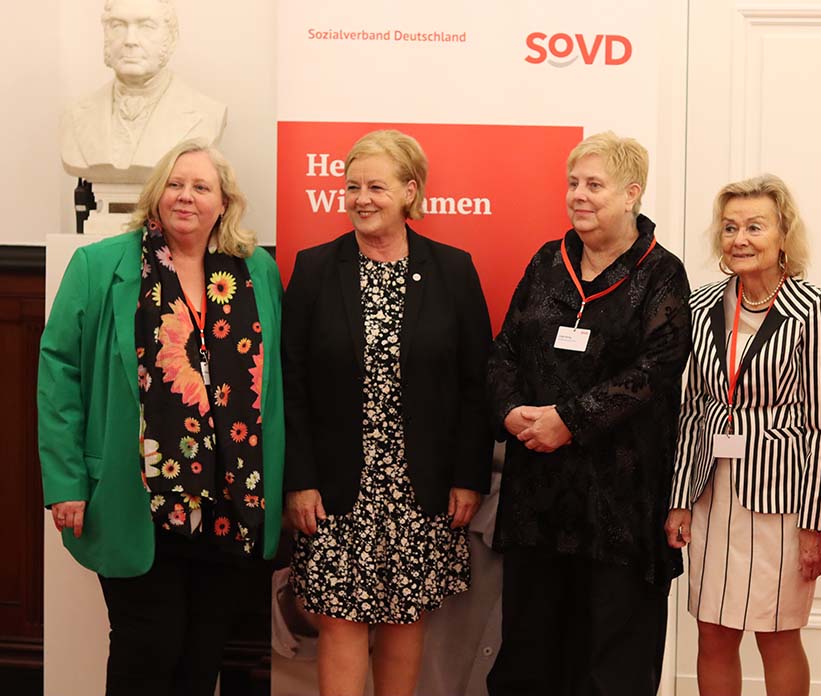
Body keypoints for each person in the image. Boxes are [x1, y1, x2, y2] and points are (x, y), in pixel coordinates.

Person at [38, 139, 285, 695]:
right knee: (147, 650)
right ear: (156, 194)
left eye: (201, 187)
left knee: (202, 659)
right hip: (136, 498)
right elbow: (59, 375)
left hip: (230, 501)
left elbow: (274, 385)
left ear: (224, 203)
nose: (186, 196)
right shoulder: (100, 265)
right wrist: (65, 482)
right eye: (175, 184)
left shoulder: (256, 271)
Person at [282, 129, 493, 696]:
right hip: (334, 487)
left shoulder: (452, 270)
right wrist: (299, 480)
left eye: (376, 186)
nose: (361, 198)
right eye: (352, 186)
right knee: (340, 620)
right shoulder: (315, 268)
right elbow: (290, 384)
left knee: (406, 619)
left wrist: (468, 477)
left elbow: (477, 384)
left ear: (409, 192)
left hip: (419, 485)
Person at [486, 131, 692, 696]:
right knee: (530, 655)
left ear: (631, 194)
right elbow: (504, 350)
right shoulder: (546, 262)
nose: (578, 195)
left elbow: (656, 371)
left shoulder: (662, 273)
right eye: (573, 183)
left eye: (594, 185)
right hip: (537, 495)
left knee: (611, 665)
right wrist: (510, 412)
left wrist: (569, 421)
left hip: (618, 503)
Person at [667, 174, 821, 696]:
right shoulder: (700, 306)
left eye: (754, 227)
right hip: (712, 496)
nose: (739, 239)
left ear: (783, 235)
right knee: (713, 633)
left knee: (778, 636)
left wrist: (814, 524)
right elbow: (692, 409)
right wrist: (679, 499)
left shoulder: (811, 309)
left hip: (781, 503)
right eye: (730, 227)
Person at [61, 0, 227, 184]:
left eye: (146, 27)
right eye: (118, 26)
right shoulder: (75, 115)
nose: (130, 40)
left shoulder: (207, 113)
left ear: (171, 39)